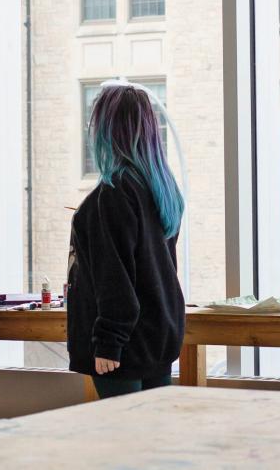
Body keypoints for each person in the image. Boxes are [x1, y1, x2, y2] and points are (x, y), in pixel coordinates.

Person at [66, 82, 186, 398]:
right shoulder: (161, 189)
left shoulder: (113, 195)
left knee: (127, 440)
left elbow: (114, 278)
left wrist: (108, 341)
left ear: (107, 130)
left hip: (124, 347)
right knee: (152, 436)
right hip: (158, 333)